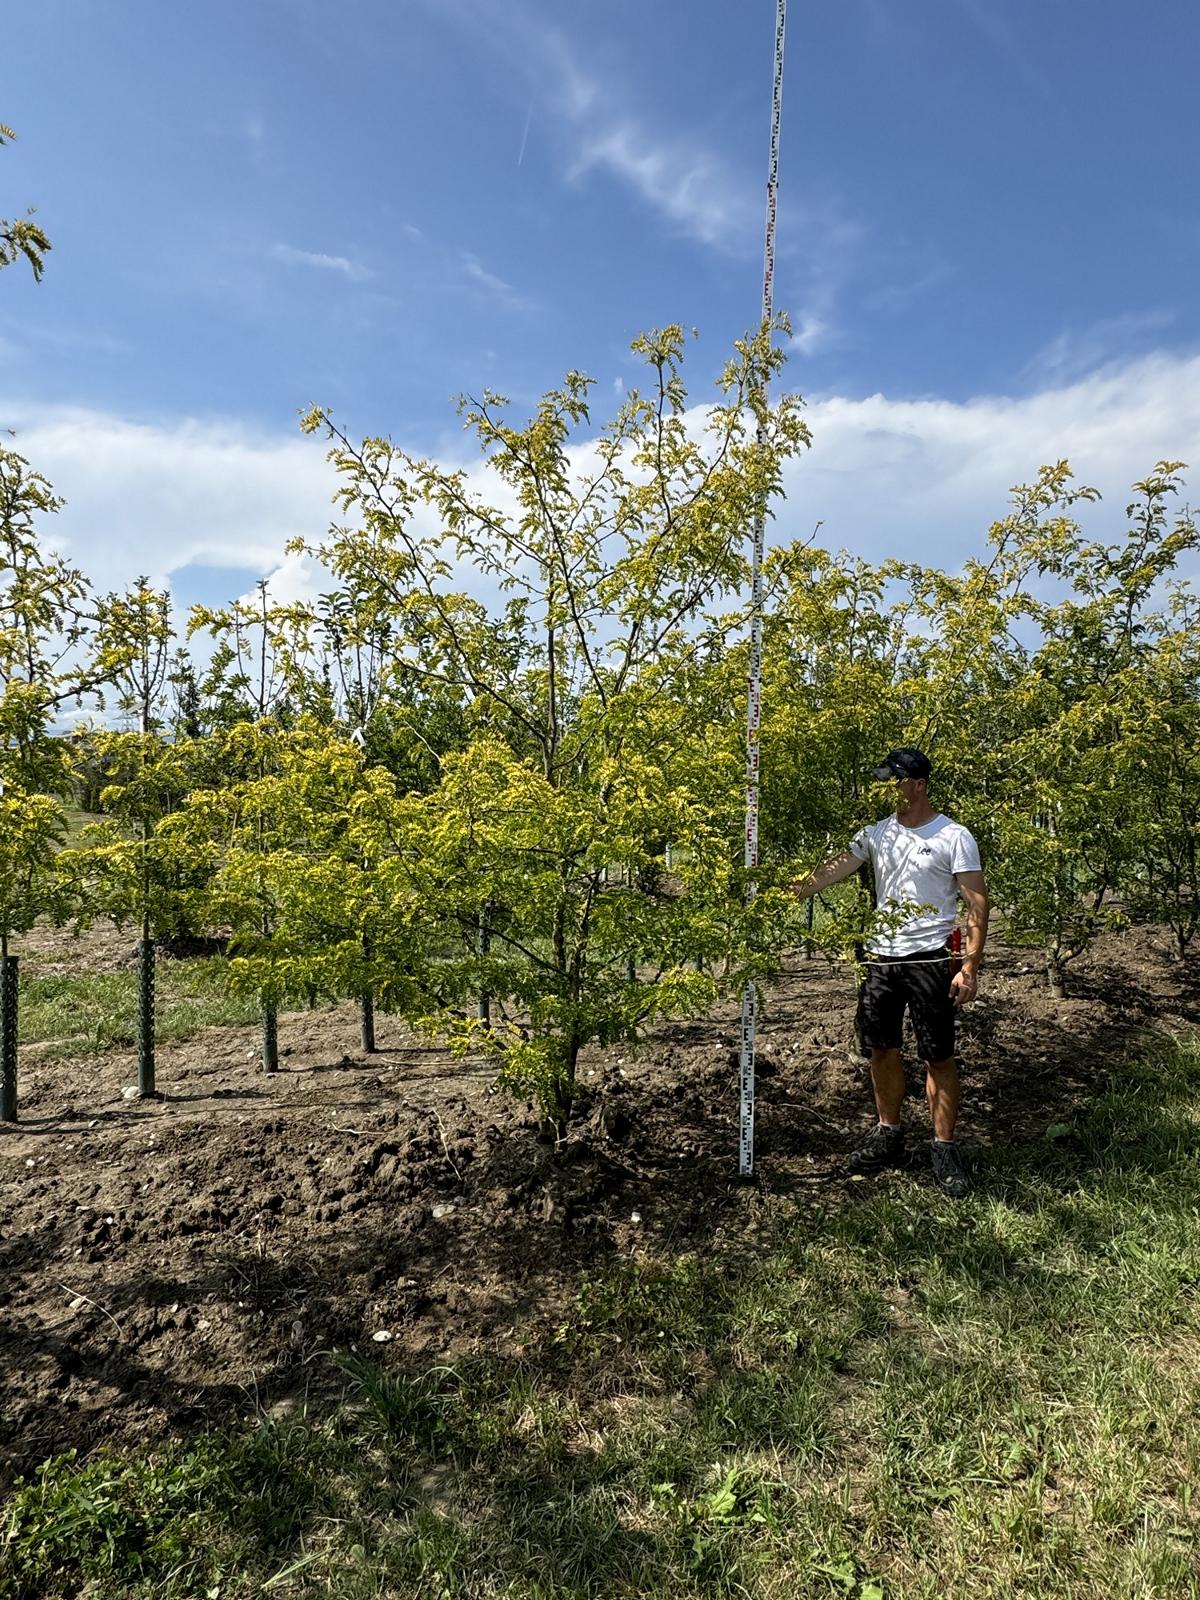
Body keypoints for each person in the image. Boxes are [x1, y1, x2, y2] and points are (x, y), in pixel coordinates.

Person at [790, 747, 989, 1198]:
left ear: (918, 784)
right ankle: (888, 1134)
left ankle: (943, 1148)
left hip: (931, 960)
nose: (887, 788)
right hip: (882, 958)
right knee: (882, 1049)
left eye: (894, 780)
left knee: (937, 1056)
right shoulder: (876, 834)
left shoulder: (954, 836)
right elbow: (836, 868)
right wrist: (795, 889)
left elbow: (977, 902)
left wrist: (970, 966)